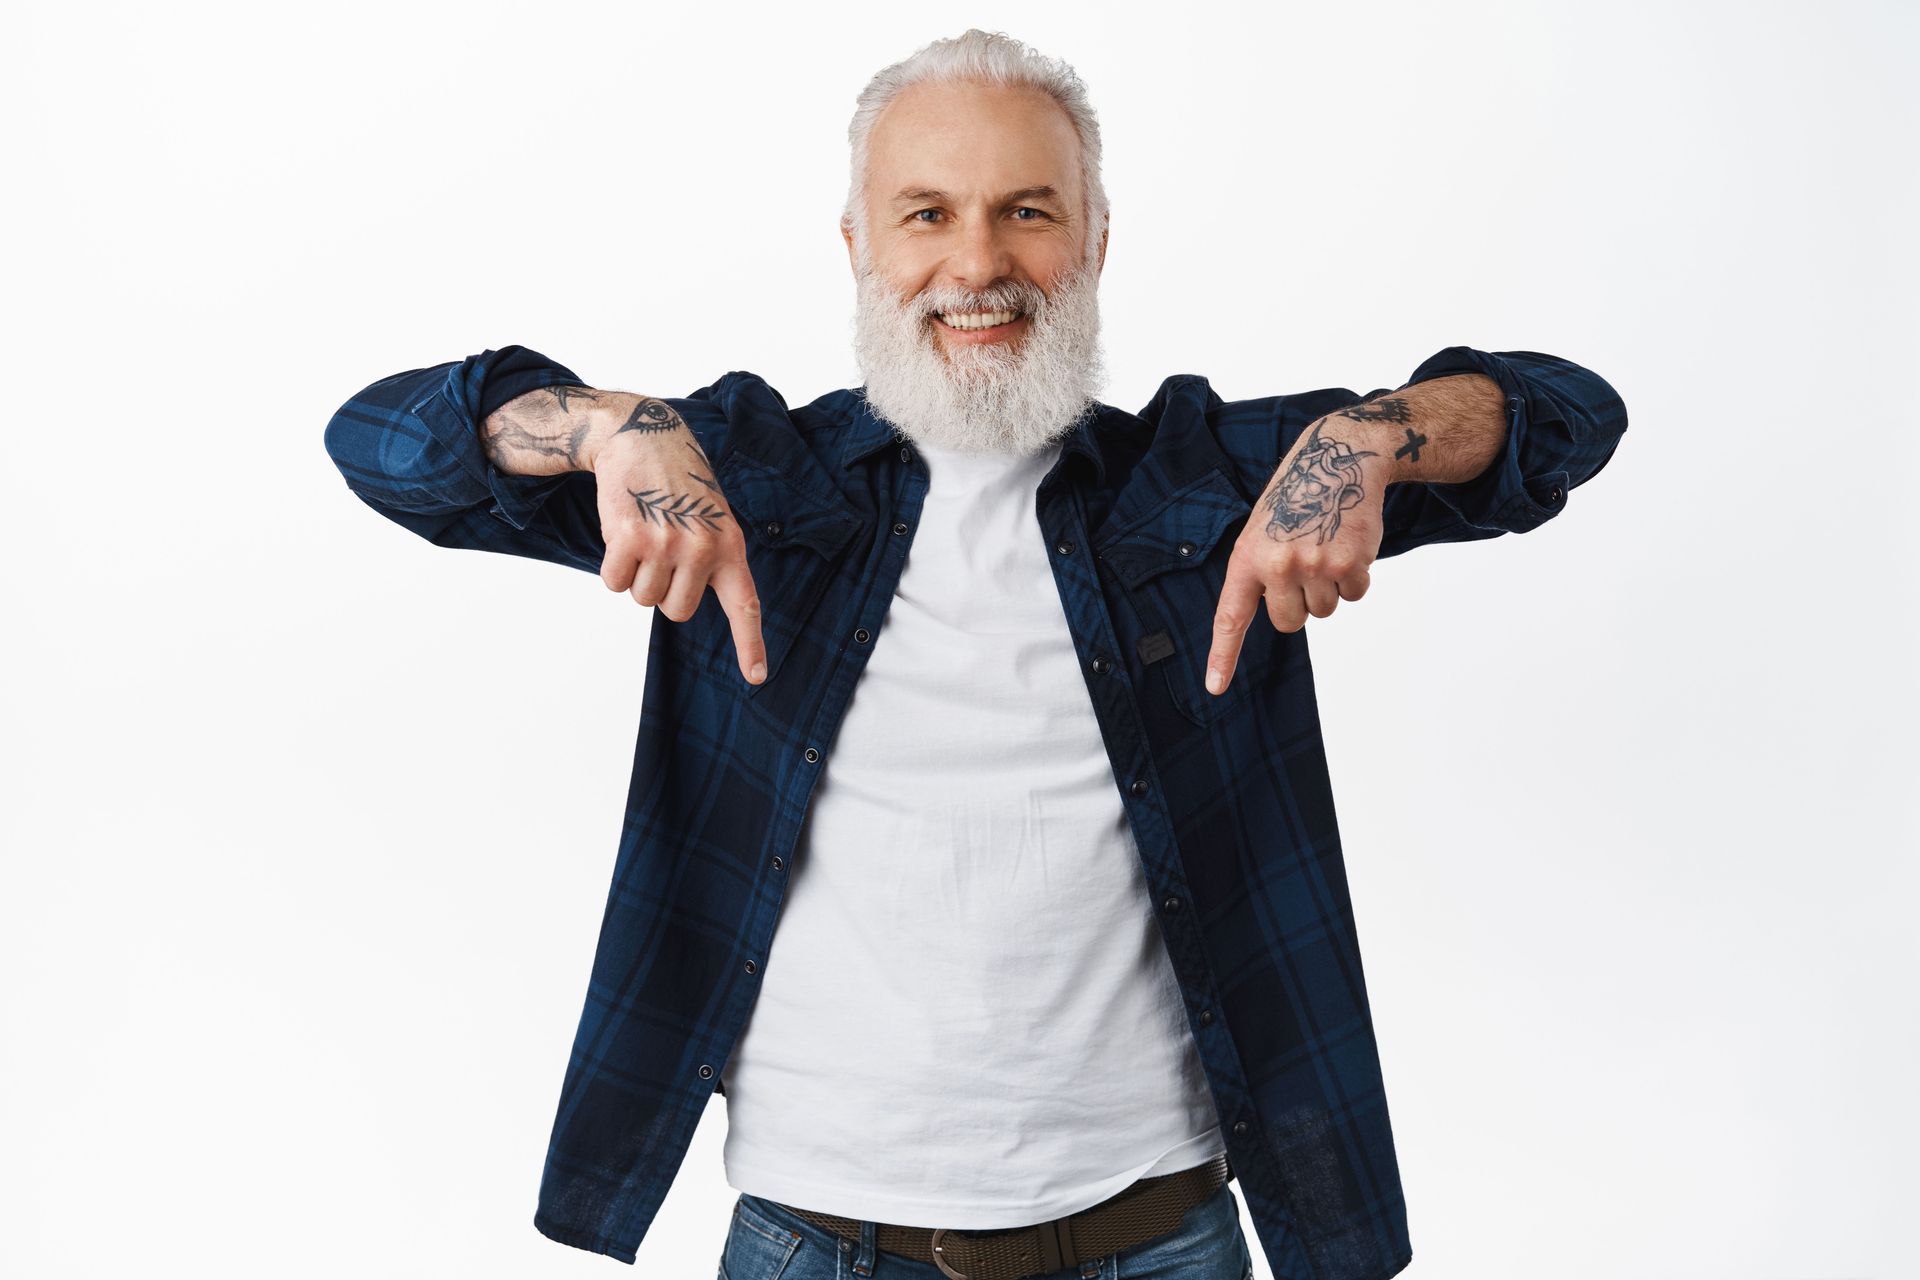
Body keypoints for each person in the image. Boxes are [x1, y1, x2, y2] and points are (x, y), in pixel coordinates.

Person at [322, 28, 1626, 1280]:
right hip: (816, 1245)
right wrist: (611, 426)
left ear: (1097, 239)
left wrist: (1368, 439)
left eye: (1029, 211)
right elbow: (379, 445)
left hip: (1162, 1239)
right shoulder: (732, 484)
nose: (978, 263)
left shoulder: (1205, 485)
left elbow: (1565, 415)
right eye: (927, 213)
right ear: (857, 244)